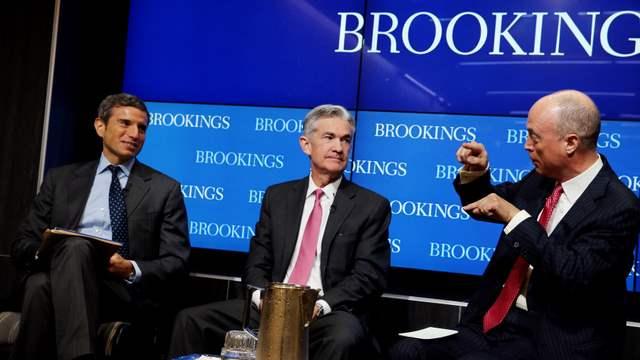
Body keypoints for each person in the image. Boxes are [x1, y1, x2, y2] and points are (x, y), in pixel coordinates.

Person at [390, 90, 640, 360]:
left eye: (534, 136)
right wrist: (476, 174)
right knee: (407, 352)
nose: (526, 145)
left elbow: (573, 272)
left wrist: (515, 217)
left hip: (552, 338)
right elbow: (490, 204)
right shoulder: (543, 178)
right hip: (494, 324)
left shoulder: (618, 206)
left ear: (570, 143)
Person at [168, 104, 391, 359]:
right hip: (271, 308)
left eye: (345, 140)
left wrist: (319, 305)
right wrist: (262, 298)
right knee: (190, 320)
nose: (339, 148)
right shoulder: (278, 196)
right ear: (306, 144)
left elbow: (368, 276)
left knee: (343, 336)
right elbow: (257, 262)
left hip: (326, 313)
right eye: (329, 137)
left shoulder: (371, 206)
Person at [10, 93, 191, 360]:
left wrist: (130, 268)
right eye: (125, 123)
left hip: (118, 290)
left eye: (142, 128)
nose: (135, 134)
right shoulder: (61, 179)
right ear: (100, 126)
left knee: (48, 278)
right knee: (47, 275)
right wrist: (45, 252)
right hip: (60, 274)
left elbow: (177, 261)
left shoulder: (164, 189)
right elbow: (22, 243)